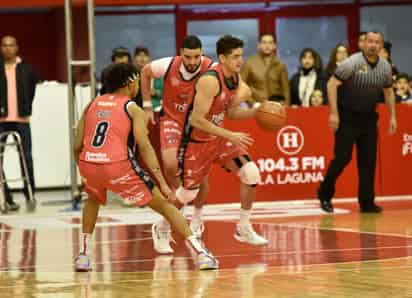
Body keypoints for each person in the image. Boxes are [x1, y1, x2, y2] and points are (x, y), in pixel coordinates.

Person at [72, 63, 218, 271]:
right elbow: (145, 147)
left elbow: (77, 144)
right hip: (118, 165)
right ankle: (202, 253)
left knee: (92, 200)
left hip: (89, 163)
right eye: (138, 81)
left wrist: (84, 168)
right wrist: (163, 184)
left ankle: (83, 256)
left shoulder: (92, 103)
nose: (139, 85)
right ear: (130, 82)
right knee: (167, 205)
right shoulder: (132, 108)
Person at [176, 35, 268, 246]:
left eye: (240, 55)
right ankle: (162, 225)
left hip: (218, 140)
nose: (240, 60)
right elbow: (196, 120)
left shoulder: (234, 78)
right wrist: (230, 135)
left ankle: (243, 228)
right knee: (187, 194)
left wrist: (257, 112)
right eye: (235, 56)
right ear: (222, 58)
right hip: (196, 143)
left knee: (251, 173)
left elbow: (233, 113)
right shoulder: (210, 80)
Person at [141, 36, 213, 253]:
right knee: (170, 165)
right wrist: (146, 106)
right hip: (171, 119)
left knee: (201, 176)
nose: (192, 61)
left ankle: (197, 218)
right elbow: (145, 72)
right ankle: (176, 210)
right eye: (188, 56)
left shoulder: (211, 68)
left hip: (197, 123)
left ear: (202, 53)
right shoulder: (167, 64)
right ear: (181, 53)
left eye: (196, 56)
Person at [318, 31, 397, 213]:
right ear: (363, 44)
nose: (373, 45)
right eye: (370, 41)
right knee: (342, 158)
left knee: (368, 162)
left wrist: (392, 116)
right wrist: (334, 114)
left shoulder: (385, 67)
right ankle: (324, 193)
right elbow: (331, 84)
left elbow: (389, 91)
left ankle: (367, 202)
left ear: (381, 46)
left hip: (369, 118)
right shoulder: (351, 63)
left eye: (377, 42)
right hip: (347, 117)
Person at [0, 35, 39, 211]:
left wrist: (26, 108)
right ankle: (6, 197)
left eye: (11, 45)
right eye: (5, 45)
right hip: (1, 119)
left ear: (17, 47)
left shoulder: (26, 68)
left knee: (27, 158)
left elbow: (32, 89)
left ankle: (30, 193)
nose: (8, 49)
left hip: (22, 119)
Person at [241, 34, 290, 106]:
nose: (267, 46)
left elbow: (286, 88)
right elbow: (241, 86)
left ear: (274, 46)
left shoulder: (280, 64)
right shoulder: (249, 63)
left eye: (270, 43)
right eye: (264, 42)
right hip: (256, 107)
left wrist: (286, 105)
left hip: (276, 106)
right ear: (259, 45)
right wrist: (252, 103)